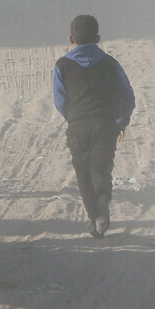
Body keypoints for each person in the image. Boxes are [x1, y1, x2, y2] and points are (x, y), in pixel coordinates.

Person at [52, 14, 134, 239]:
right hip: (106, 126)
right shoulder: (110, 63)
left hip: (78, 126)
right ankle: (103, 197)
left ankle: (94, 217)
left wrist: (72, 117)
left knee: (83, 173)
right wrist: (121, 121)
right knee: (101, 168)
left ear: (71, 39)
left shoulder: (62, 65)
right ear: (98, 38)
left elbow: (60, 100)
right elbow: (127, 96)